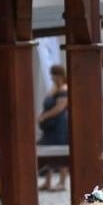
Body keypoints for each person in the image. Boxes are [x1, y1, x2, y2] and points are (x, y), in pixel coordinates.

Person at [37, 65, 70, 194]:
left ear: (61, 75)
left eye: (55, 74)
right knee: (46, 150)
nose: (52, 77)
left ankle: (62, 182)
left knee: (61, 151)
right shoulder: (53, 89)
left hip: (59, 125)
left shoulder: (64, 89)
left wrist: (45, 115)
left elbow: (60, 107)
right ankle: (47, 180)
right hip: (49, 127)